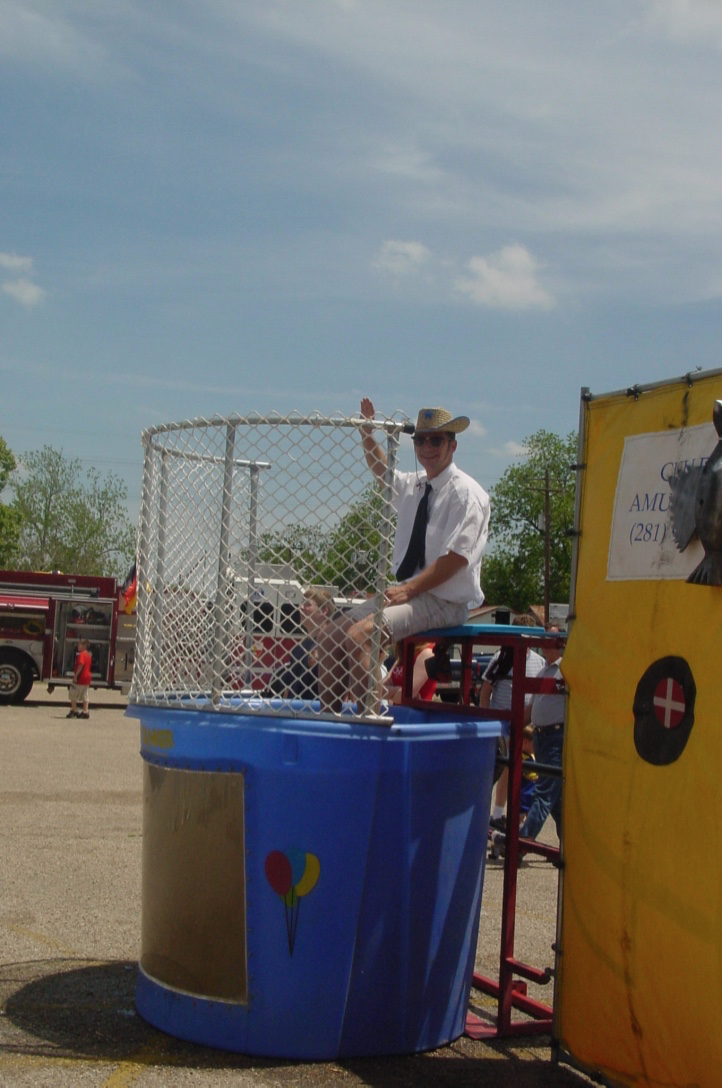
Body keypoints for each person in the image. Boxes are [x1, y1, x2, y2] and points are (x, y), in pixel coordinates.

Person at [317, 398, 490, 714]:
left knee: (359, 637)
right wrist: (367, 433)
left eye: (436, 439)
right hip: (410, 595)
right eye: (421, 439)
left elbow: (456, 559)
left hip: (443, 601)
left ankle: (371, 721)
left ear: (453, 445)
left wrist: (409, 589)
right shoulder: (417, 485)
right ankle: (330, 723)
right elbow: (381, 470)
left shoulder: (467, 493)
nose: (427, 446)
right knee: (331, 636)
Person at [492, 627, 566, 859]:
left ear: (561, 642)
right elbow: (531, 708)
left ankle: (520, 844)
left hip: (556, 736)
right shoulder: (545, 670)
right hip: (541, 735)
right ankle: (571, 848)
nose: (545, 643)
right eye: (544, 639)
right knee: (554, 798)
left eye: (550, 639)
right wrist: (513, 725)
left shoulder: (566, 670)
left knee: (544, 792)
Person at [482, 616, 546, 831]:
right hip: (500, 721)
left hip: (525, 722)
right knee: (502, 767)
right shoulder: (501, 657)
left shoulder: (539, 662)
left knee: (523, 771)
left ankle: (509, 816)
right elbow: (486, 689)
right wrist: (485, 717)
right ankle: (495, 814)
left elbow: (539, 693)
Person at [267, 588, 336, 699]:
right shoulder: (298, 649)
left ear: (324, 611)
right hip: (296, 711)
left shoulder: (334, 645)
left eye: (307, 605)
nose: (301, 608)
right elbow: (288, 688)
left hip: (320, 712)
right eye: (302, 604)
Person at [67, 638, 92, 719]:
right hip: (87, 678)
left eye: (79, 644)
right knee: (85, 695)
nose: (78, 646)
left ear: (84, 646)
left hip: (80, 677)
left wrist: (75, 676)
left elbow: (81, 665)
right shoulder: (88, 655)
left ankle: (74, 710)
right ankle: (85, 711)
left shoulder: (81, 655)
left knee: (73, 693)